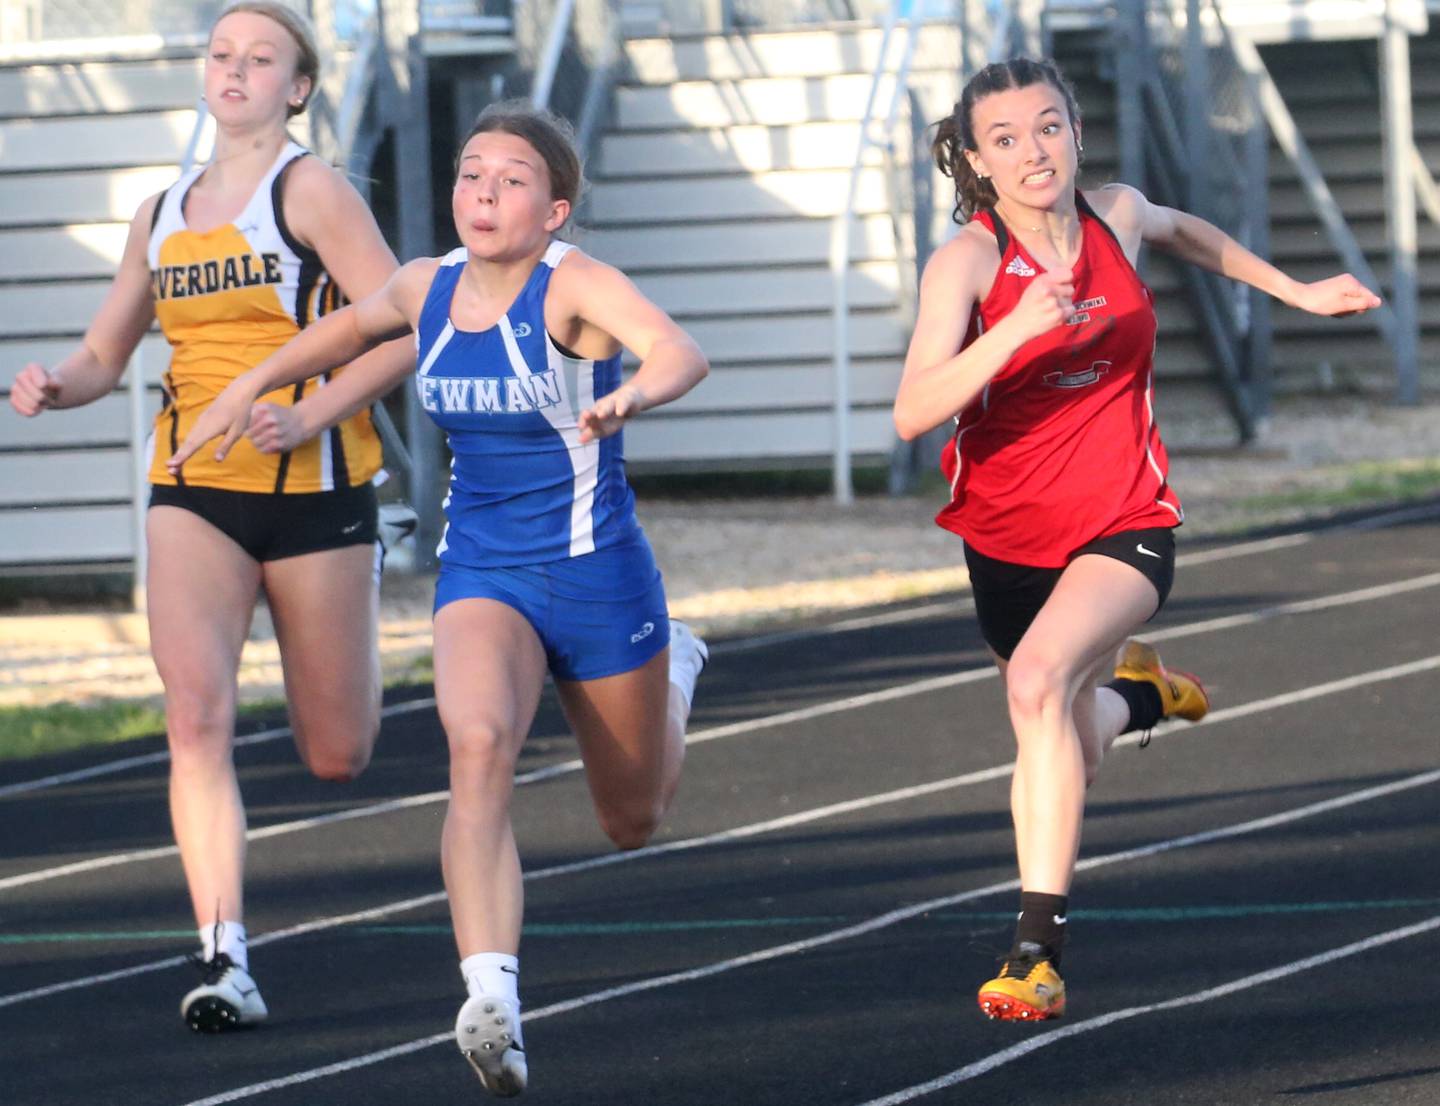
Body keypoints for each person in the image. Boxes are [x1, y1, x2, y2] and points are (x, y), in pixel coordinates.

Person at [169, 99, 711, 1094]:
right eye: (469, 174)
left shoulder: (574, 285)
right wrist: (253, 389)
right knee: (475, 743)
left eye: (510, 180)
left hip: (597, 571)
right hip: (484, 570)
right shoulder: (427, 284)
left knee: (632, 816)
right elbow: (343, 328)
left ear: (553, 210)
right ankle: (490, 995)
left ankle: (673, 661)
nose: (483, 193)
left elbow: (679, 349)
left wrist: (635, 392)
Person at [893, 57, 1382, 1023]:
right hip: (1004, 536)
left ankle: (1036, 950)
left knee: (1036, 688)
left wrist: (1293, 290)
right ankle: (1139, 695)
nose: (1032, 150)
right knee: (1071, 740)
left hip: (1127, 517)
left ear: (1076, 131)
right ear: (978, 165)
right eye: (1006, 139)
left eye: (1048, 127)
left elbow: (1183, 230)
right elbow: (915, 410)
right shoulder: (970, 264)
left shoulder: (1116, 213)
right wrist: (1014, 330)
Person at [8, 1, 415, 1033]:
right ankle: (224, 951)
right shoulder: (159, 210)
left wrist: (311, 409)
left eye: (260, 58)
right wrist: (58, 381)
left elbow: (407, 324)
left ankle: (385, 582)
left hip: (316, 485)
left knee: (339, 752)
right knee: (195, 715)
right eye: (221, 54)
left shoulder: (312, 191)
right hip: (192, 490)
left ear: (299, 87)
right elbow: (109, 351)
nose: (234, 71)